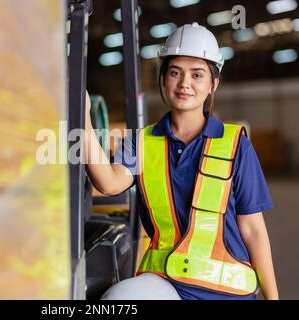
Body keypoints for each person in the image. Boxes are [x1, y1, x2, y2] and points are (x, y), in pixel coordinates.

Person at [84, 22, 278, 300]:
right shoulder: (141, 141)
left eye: (197, 75)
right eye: (175, 72)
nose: (185, 83)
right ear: (163, 78)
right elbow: (108, 182)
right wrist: (84, 115)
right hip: (165, 283)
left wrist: (273, 298)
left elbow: (253, 229)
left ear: (214, 84)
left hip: (226, 291)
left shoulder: (236, 144)